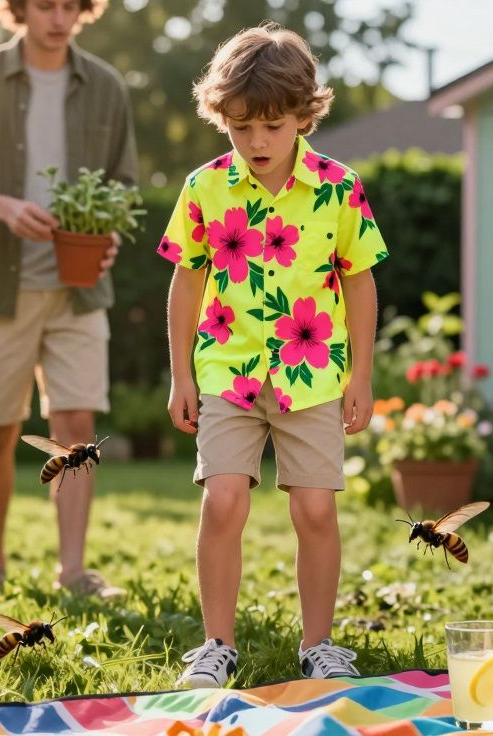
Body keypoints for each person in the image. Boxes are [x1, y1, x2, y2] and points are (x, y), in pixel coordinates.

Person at [157, 23, 389, 687]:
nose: (256, 141)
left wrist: (361, 376)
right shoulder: (205, 188)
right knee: (223, 501)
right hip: (226, 370)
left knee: (315, 510)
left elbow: (360, 281)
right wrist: (181, 375)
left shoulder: (339, 189)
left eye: (272, 125)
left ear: (303, 115)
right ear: (220, 116)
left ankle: (319, 645)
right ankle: (216, 646)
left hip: (312, 376)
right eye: (240, 126)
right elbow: (186, 281)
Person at [0, 0, 137, 599]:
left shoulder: (106, 85)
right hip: (0, 282)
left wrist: (109, 236)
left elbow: (122, 184)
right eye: (45, 5)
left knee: (76, 426)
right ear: (19, 8)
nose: (58, 18)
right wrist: (5, 208)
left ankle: (73, 571)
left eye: (71, 6)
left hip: (80, 289)